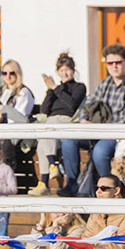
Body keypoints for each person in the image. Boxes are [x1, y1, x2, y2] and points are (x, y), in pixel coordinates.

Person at [61, 44, 125, 196]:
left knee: (99, 152)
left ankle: (110, 188)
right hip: (97, 130)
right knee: (68, 140)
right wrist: (84, 120)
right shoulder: (104, 83)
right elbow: (87, 106)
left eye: (118, 62)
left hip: (118, 134)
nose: (114, 66)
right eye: (110, 63)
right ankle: (72, 184)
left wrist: (100, 126)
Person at [31, 52, 87, 196]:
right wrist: (50, 91)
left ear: (73, 71)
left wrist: (56, 88)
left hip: (67, 120)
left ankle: (47, 174)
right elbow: (44, 110)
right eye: (61, 70)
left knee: (49, 126)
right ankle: (47, 176)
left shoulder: (79, 87)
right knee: (43, 137)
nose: (64, 73)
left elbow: (71, 105)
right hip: (52, 122)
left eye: (67, 70)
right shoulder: (55, 89)